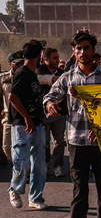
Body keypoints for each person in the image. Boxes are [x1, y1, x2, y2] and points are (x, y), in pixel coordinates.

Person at [44, 30, 101, 218]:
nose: (83, 52)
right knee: (79, 189)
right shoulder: (68, 77)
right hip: (76, 141)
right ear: (74, 52)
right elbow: (50, 96)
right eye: (79, 49)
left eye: (87, 48)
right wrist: (50, 105)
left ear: (94, 51)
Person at [8, 40, 48, 210]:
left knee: (39, 164)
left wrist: (39, 119)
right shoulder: (22, 73)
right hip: (22, 124)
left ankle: (35, 198)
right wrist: (27, 118)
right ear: (39, 56)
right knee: (21, 161)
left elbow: (34, 99)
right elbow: (13, 97)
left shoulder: (32, 73)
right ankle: (14, 189)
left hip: (36, 123)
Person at [37, 47, 67, 178]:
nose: (58, 60)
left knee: (59, 142)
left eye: (58, 57)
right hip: (43, 114)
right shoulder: (38, 71)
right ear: (46, 59)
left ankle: (58, 165)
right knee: (45, 141)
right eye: (55, 58)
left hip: (60, 113)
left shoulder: (61, 72)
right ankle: (47, 164)